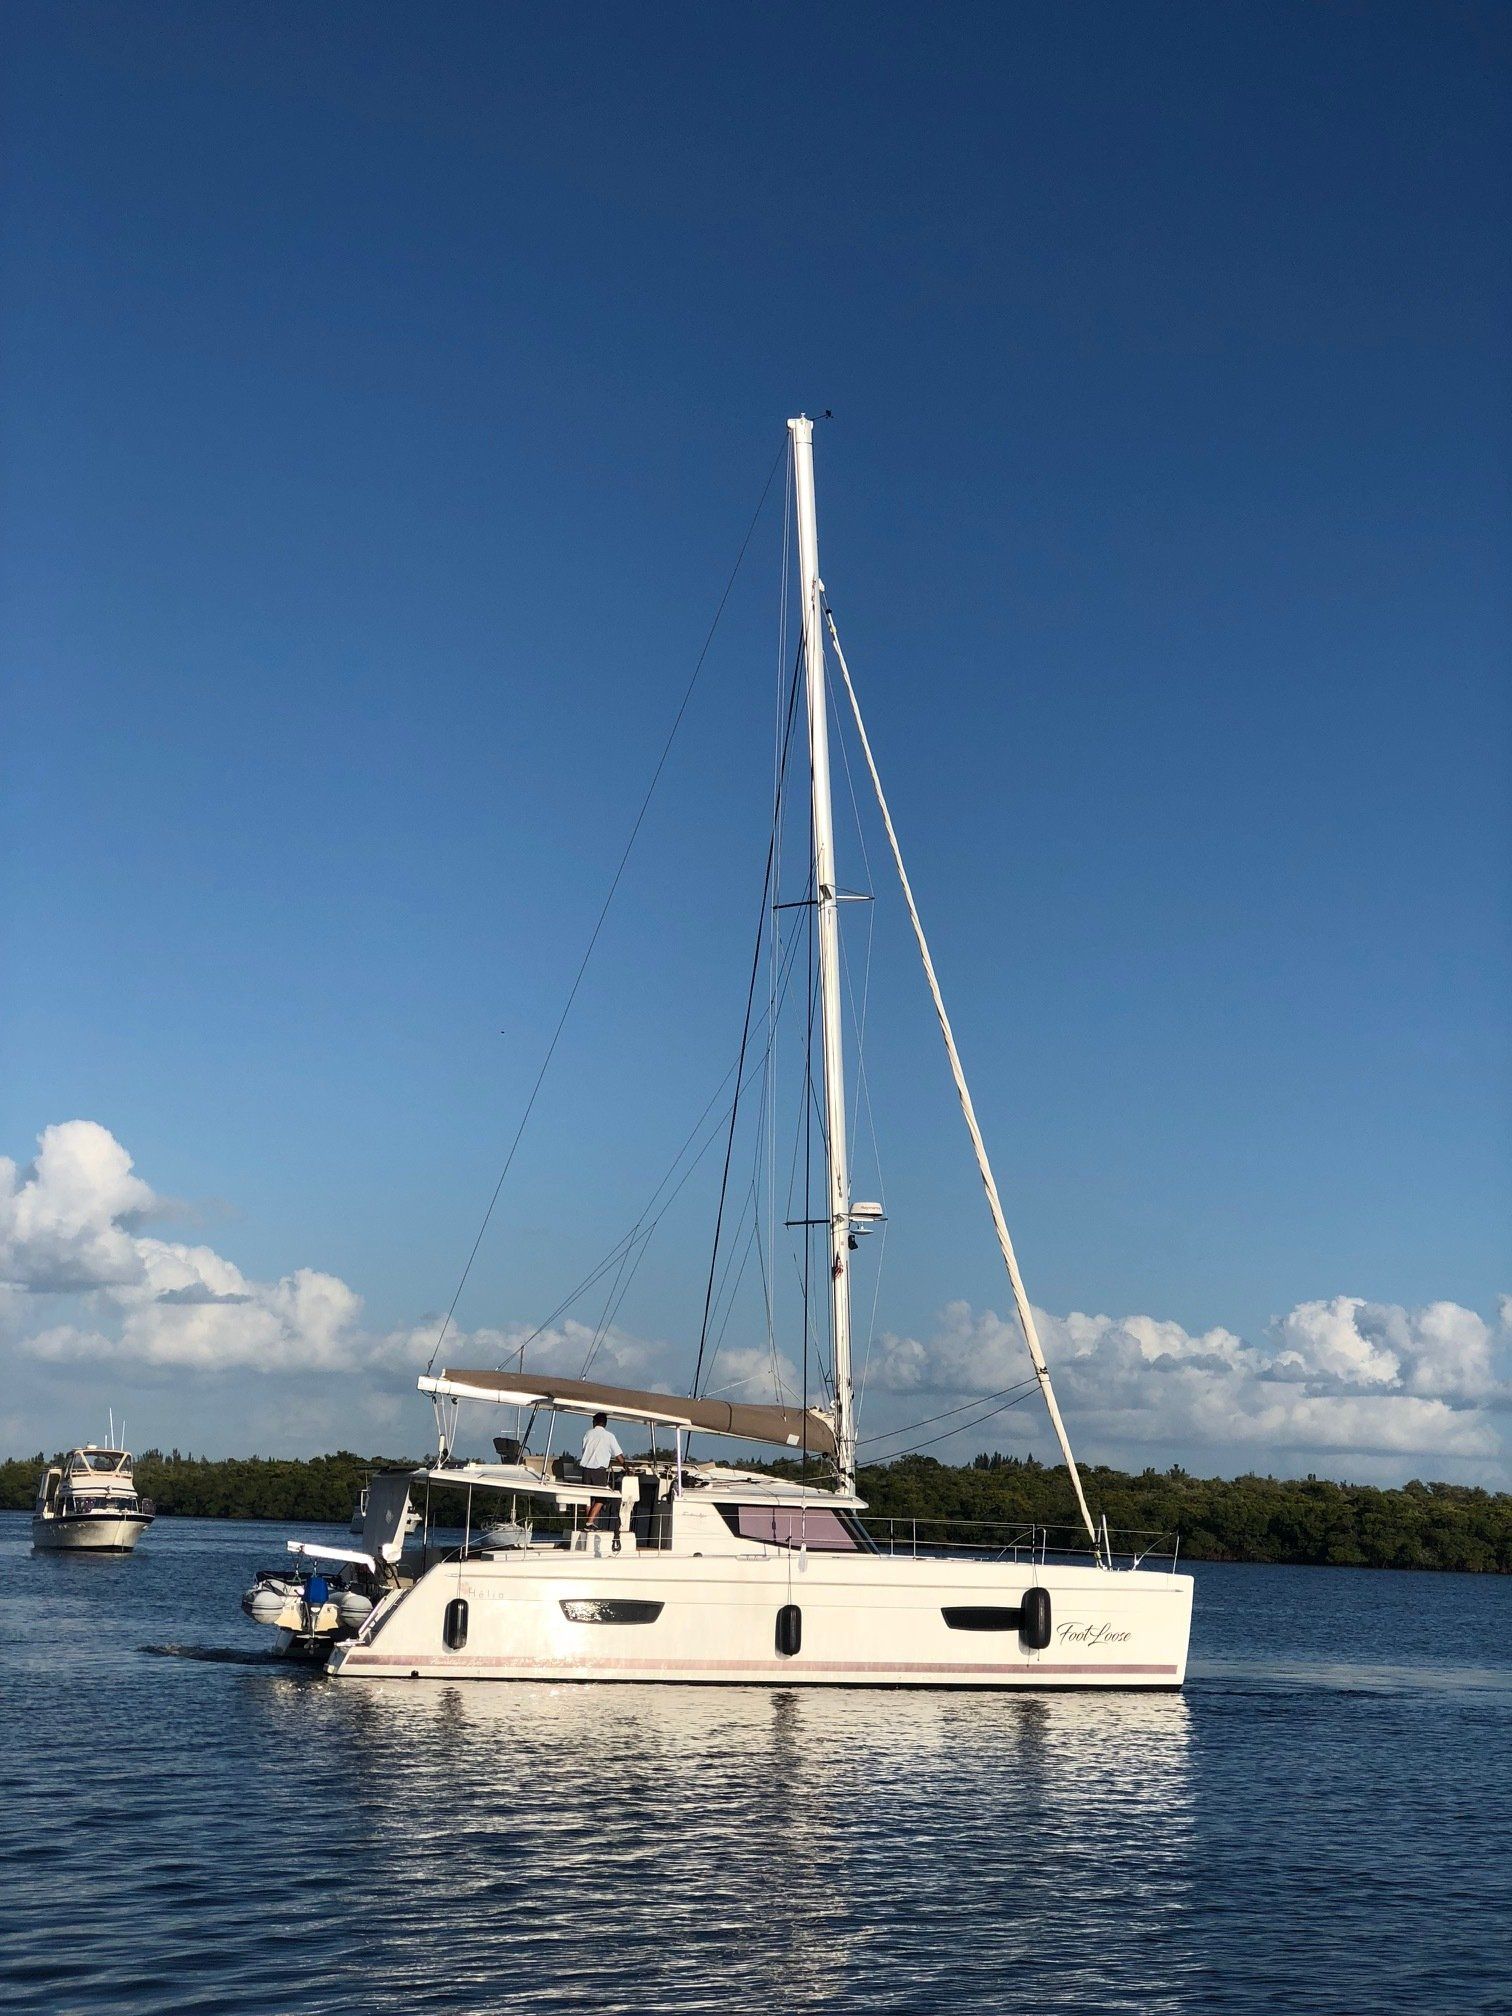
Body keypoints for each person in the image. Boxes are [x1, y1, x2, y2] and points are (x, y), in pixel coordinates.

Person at [580, 1412, 625, 1539]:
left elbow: (584, 1450)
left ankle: (589, 1523)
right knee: (602, 1498)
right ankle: (590, 1522)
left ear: (594, 1422)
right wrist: (625, 1465)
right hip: (599, 1470)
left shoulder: (588, 1434)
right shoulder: (609, 1436)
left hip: (586, 1469)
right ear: (605, 1423)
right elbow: (618, 1455)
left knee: (587, 1498)